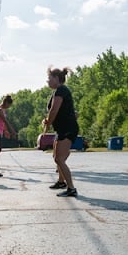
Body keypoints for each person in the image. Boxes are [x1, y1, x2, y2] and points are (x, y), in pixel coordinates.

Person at [44, 66, 79, 197]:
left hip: (67, 129)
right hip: (62, 129)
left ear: (56, 78)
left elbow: (54, 110)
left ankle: (71, 188)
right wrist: (47, 121)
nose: (47, 81)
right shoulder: (58, 91)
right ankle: (61, 182)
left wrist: (48, 124)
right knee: (56, 157)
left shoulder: (61, 90)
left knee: (59, 159)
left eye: (49, 78)